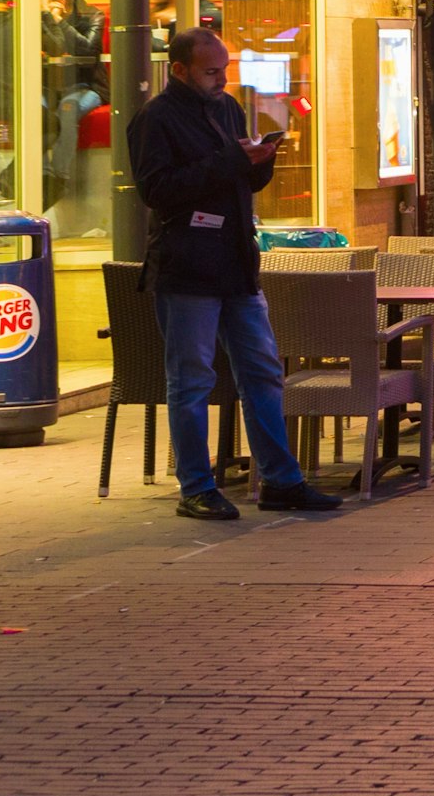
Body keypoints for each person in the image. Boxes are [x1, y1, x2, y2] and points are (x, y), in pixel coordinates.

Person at [128, 26, 336, 521]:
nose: (222, 79)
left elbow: (236, 178)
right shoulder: (155, 119)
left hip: (237, 264)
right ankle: (196, 487)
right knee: (192, 379)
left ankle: (281, 480)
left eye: (225, 69)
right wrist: (230, 160)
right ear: (179, 70)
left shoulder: (226, 108)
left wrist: (261, 161)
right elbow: (158, 191)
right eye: (212, 71)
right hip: (187, 268)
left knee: (263, 371)